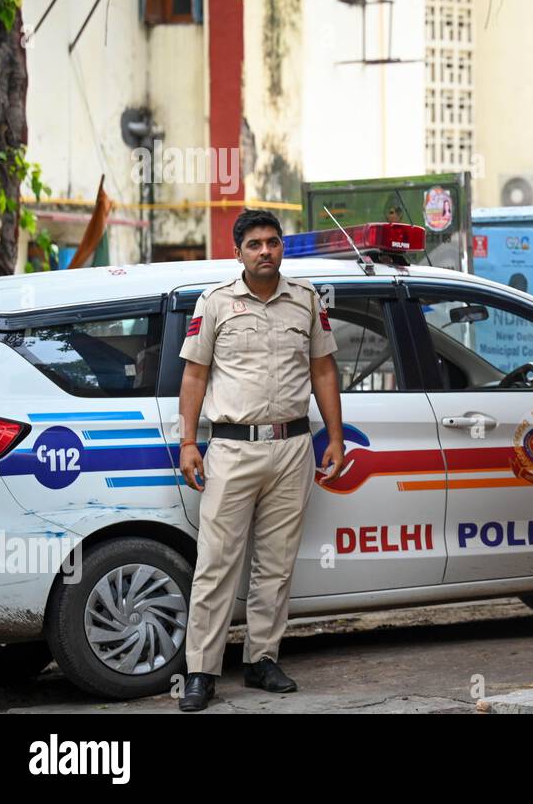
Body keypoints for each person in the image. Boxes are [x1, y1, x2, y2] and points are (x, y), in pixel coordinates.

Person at [176, 209, 345, 712]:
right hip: (231, 449)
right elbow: (193, 378)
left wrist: (333, 437)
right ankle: (201, 672)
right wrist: (189, 442)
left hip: (293, 447)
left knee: (276, 564)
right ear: (239, 252)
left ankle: (262, 660)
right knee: (216, 564)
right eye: (255, 244)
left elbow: (324, 371)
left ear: (281, 248)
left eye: (273, 242)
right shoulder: (216, 303)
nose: (265, 250)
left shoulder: (306, 301)